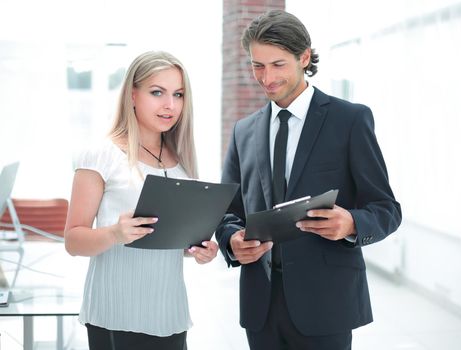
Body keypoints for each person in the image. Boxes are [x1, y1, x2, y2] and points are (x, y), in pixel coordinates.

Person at [216, 10, 402, 350]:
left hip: (326, 303)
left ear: (304, 57)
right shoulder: (244, 131)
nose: (266, 77)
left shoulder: (350, 120)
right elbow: (228, 212)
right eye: (257, 65)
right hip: (261, 305)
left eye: (278, 64)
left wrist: (351, 224)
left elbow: (386, 208)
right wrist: (232, 241)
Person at [64, 51, 218, 350]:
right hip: (117, 313)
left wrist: (197, 250)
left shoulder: (182, 163)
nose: (169, 105)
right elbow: (73, 241)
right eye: (157, 92)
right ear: (132, 95)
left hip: (169, 313)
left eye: (178, 94)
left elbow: (166, 241)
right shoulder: (101, 155)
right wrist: (114, 233)